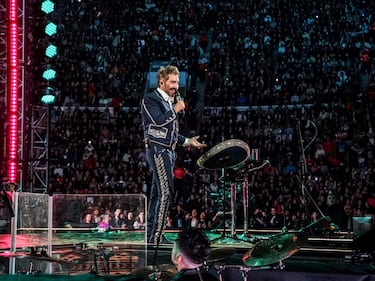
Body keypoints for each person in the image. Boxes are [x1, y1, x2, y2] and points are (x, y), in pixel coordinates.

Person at [141, 65, 207, 244]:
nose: (176, 86)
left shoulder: (169, 102)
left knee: (157, 193)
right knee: (165, 193)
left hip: (168, 151)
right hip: (157, 150)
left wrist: (187, 141)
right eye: (172, 82)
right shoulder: (150, 99)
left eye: (177, 82)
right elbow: (158, 122)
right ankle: (156, 235)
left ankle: (152, 234)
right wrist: (176, 109)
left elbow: (170, 133)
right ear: (162, 81)